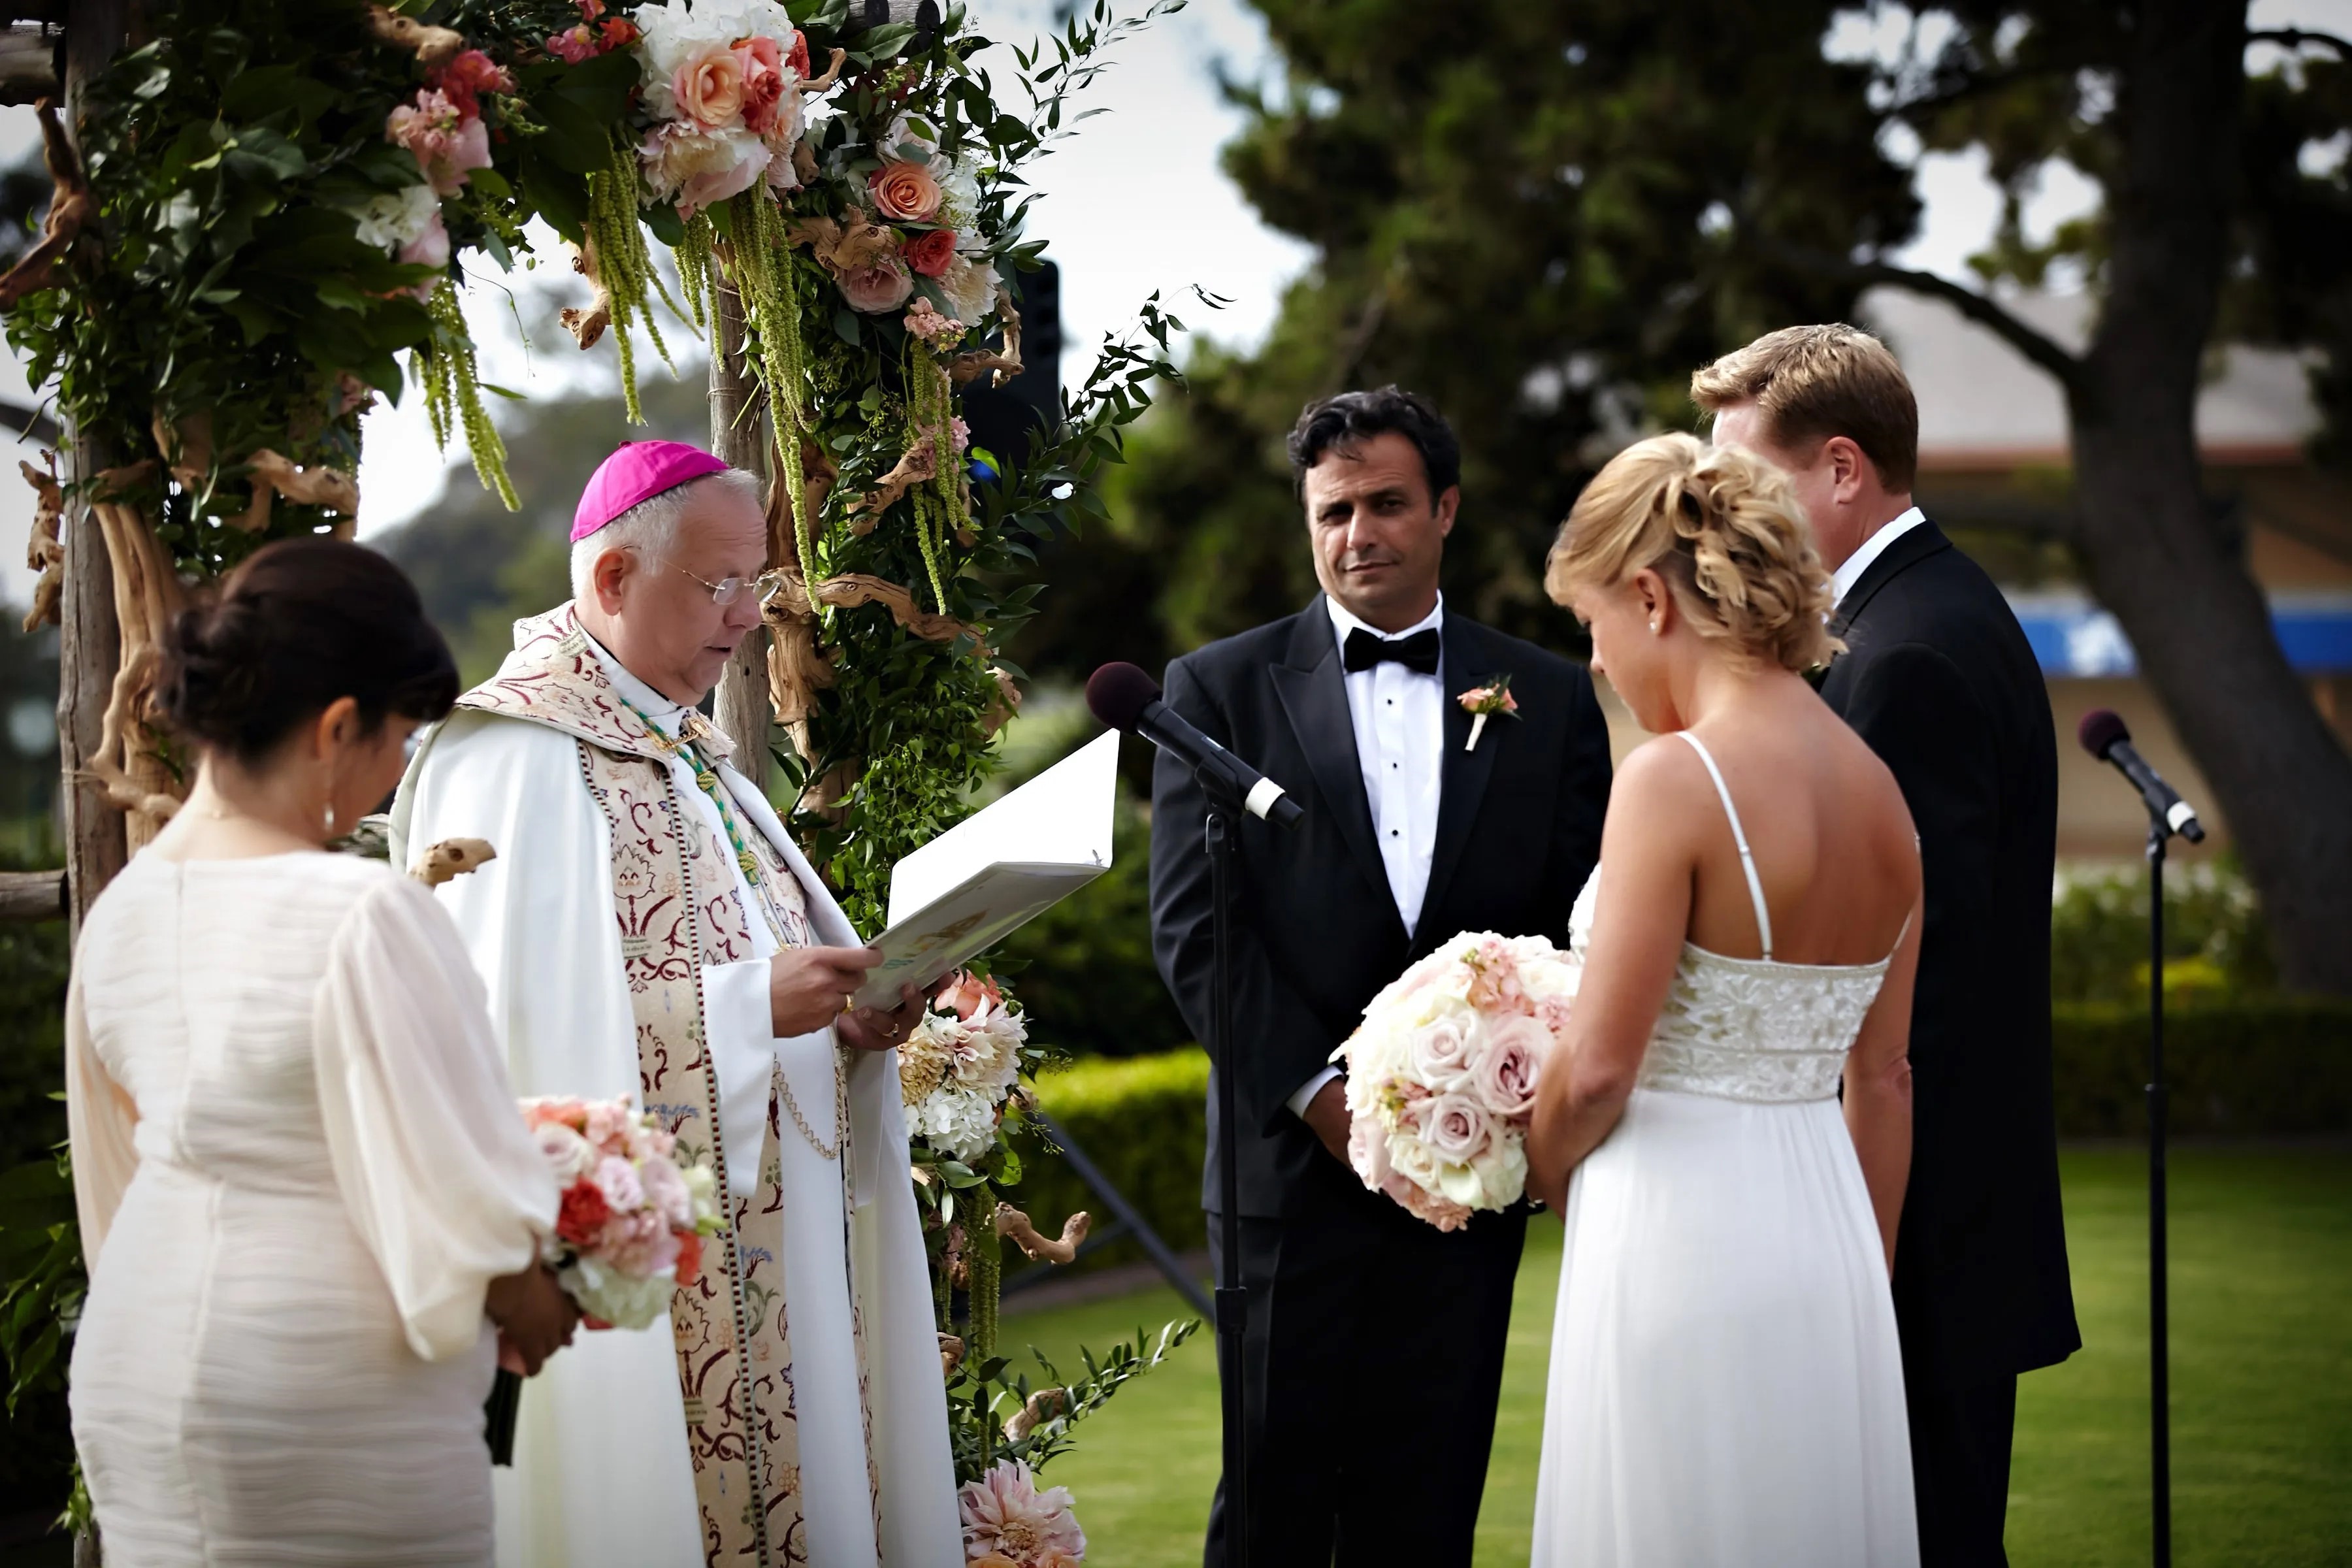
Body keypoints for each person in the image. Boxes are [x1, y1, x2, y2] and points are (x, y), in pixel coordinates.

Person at [391, 441, 961, 1568]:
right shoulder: (512, 755)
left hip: (784, 1254)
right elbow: (515, 1052)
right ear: (611, 581)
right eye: (721, 585)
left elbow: (748, 954)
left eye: (757, 583)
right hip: (652, 1304)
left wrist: (846, 1019)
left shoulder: (688, 745)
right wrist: (749, 1012)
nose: (750, 617)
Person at [1149, 387, 1613, 1565]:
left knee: (1429, 1503)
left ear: (1446, 509)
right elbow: (1197, 934)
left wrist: (1510, 1113)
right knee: (1269, 1508)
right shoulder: (1215, 693)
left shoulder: (1549, 698)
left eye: (1389, 504)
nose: (1361, 534)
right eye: (1335, 510)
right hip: (1284, 1185)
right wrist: (1327, 1102)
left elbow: (1578, 927)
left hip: (1469, 1181)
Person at [66, 538, 573, 1565]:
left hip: (135, 1360)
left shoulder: (120, 913)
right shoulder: (362, 912)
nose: (398, 777)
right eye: (398, 741)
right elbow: (461, 1183)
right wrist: (544, 1300)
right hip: (320, 1385)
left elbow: (110, 1173)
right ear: (337, 728)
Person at [1699, 324, 2079, 1567]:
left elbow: (1910, 980)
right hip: (1928, 1203)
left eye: (1745, 481)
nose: (1719, 520)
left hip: (1920, 1219)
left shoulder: (1905, 655)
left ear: (1844, 470)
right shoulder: (1926, 616)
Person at [1525, 433, 1924, 1565]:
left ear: (1651, 598)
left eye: (1594, 627)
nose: (1598, 665)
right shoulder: (1882, 795)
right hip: (1835, 1246)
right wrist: (1860, 1276)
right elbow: (1885, 1078)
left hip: (1675, 1237)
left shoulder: (1670, 781)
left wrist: (1537, 1166)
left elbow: (1600, 1071)